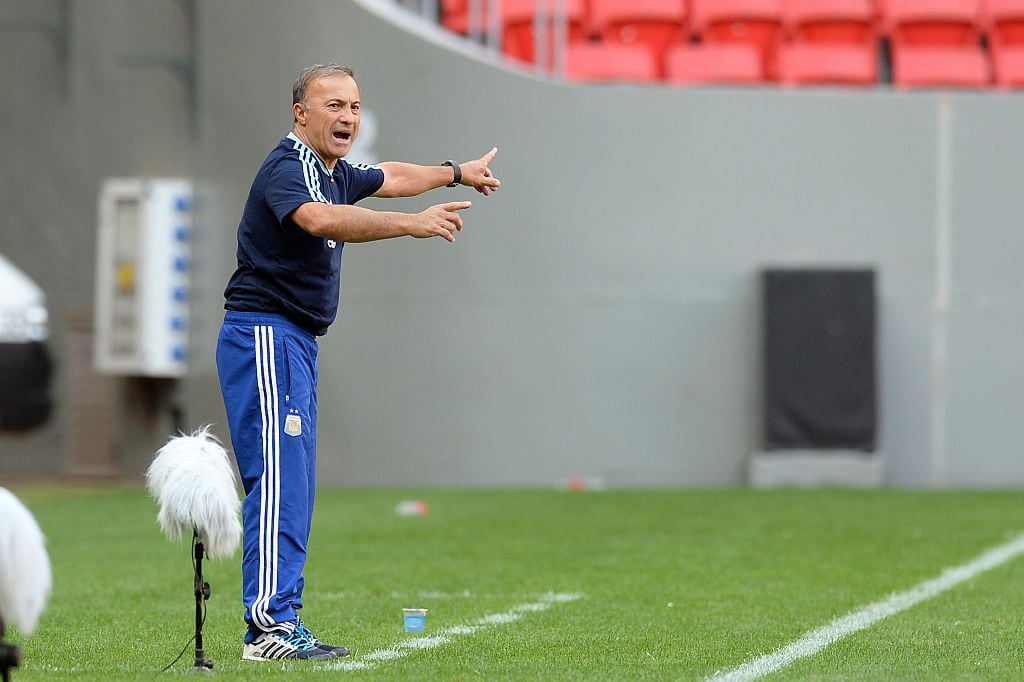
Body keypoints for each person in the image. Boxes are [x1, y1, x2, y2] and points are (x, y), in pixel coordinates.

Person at [215, 63, 500, 662]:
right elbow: (318, 220)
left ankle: (280, 621)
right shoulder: (288, 167)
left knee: (293, 485)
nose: (348, 117)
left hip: (294, 341)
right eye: (334, 106)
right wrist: (411, 226)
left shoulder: (333, 171)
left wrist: (454, 173)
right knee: (277, 483)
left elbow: (392, 174)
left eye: (354, 106)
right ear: (301, 113)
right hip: (265, 335)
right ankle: (268, 629)